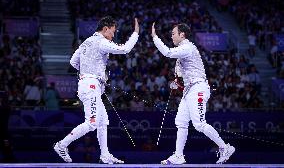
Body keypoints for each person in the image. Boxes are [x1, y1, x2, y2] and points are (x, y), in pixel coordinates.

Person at [54, 16, 139, 164]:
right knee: (92, 123)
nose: (113, 35)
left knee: (103, 121)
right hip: (91, 86)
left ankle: (105, 155)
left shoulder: (86, 42)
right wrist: (136, 33)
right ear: (105, 29)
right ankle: (62, 144)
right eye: (112, 32)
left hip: (88, 84)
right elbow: (125, 49)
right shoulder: (101, 42)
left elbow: (73, 62)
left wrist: (89, 71)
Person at [151, 23, 235, 164]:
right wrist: (177, 83)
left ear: (182, 34)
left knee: (199, 124)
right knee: (181, 122)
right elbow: (182, 75)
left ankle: (225, 147)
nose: (171, 36)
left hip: (198, 89)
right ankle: (178, 156)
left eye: (173, 33)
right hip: (189, 90)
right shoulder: (182, 51)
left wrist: (154, 37)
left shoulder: (187, 47)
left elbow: (167, 53)